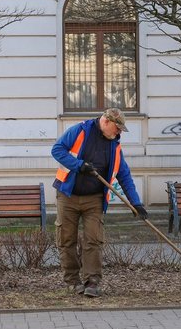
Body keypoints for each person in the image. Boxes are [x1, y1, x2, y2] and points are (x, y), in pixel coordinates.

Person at [51, 107, 147, 297]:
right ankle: (72, 281)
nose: (119, 132)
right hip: (68, 195)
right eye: (117, 128)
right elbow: (57, 150)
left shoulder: (114, 146)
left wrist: (136, 203)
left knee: (93, 240)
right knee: (66, 239)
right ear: (106, 122)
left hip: (94, 199)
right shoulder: (80, 130)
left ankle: (92, 282)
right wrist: (79, 165)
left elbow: (124, 175)